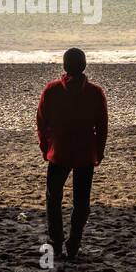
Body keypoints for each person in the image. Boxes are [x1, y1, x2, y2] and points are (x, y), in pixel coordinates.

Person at [35, 47, 108, 260]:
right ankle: (74, 242)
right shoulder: (95, 92)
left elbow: (41, 122)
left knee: (53, 197)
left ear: (64, 66)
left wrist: (44, 147)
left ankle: (56, 241)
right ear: (84, 66)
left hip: (59, 152)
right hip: (85, 152)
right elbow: (102, 126)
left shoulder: (52, 90)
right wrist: (99, 152)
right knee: (81, 201)